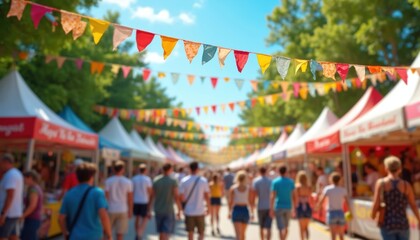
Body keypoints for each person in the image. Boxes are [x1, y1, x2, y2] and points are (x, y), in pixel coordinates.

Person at [58, 162, 112, 240]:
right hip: (94, 236)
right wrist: (109, 235)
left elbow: (61, 218)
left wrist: (65, 233)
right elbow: (103, 215)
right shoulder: (97, 193)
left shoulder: (69, 194)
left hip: (74, 236)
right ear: (91, 177)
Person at [372, 156, 420, 240]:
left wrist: (373, 216)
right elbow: (413, 205)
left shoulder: (381, 183)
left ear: (386, 168)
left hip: (387, 224)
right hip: (402, 223)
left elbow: (376, 203)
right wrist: (418, 219)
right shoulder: (406, 185)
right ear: (399, 168)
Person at [149, 163, 182, 240]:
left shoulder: (156, 180)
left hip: (158, 209)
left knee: (161, 231)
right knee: (166, 231)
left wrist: (149, 209)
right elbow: (176, 197)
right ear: (170, 169)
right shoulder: (173, 181)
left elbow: (152, 196)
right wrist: (179, 210)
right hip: (168, 210)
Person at [179, 162, 210, 240]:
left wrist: (181, 208)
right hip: (200, 210)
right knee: (201, 232)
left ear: (189, 169)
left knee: (190, 232)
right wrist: (208, 208)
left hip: (188, 211)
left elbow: (181, 197)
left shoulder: (184, 180)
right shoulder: (203, 180)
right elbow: (207, 196)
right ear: (197, 169)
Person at [317, 172, 350, 240]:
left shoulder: (328, 189)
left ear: (331, 179)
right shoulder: (343, 190)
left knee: (333, 235)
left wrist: (317, 207)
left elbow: (321, 200)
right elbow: (347, 202)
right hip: (340, 212)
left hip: (331, 212)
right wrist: (349, 211)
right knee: (341, 234)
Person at [105, 161, 133, 240]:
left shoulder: (108, 181)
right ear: (123, 169)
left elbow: (106, 197)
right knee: (120, 234)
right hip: (123, 209)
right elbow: (130, 198)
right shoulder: (128, 182)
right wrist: (130, 210)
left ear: (114, 169)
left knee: (107, 232)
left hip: (110, 209)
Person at [0, 153, 24, 240]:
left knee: (3, 236)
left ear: (6, 162)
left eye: (1, 163)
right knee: (13, 236)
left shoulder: (11, 175)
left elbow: (10, 195)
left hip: (9, 213)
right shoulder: (15, 173)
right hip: (13, 212)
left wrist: (3, 214)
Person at [270, 165, 295, 240]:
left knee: (281, 228)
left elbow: (273, 196)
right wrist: (294, 208)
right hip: (288, 206)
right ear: (286, 172)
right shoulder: (291, 182)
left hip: (278, 206)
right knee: (286, 227)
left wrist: (271, 208)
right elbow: (293, 195)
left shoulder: (275, 182)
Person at [228, 170, 254, 240]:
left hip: (236, 210)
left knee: (238, 235)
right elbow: (251, 202)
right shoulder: (249, 188)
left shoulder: (233, 188)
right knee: (243, 235)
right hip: (245, 210)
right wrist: (252, 213)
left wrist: (229, 212)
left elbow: (230, 201)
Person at [20, 171, 43, 240]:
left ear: (30, 178)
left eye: (24, 178)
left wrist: (22, 216)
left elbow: (32, 206)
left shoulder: (33, 190)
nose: (23, 180)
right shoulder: (36, 188)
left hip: (32, 219)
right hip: (34, 219)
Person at [132, 164, 152, 240]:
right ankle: (140, 232)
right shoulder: (147, 179)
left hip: (136, 200)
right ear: (145, 170)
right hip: (144, 200)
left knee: (137, 217)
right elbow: (149, 191)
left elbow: (132, 190)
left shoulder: (134, 179)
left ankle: (137, 232)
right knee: (145, 218)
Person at [252, 167, 272, 240]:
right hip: (269, 206)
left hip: (260, 206)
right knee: (268, 227)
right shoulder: (270, 181)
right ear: (266, 171)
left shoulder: (256, 181)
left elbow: (254, 194)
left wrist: (253, 204)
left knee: (261, 226)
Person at [293, 171, 312, 240]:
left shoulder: (297, 187)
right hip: (307, 206)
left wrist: (294, 209)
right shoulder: (308, 187)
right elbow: (310, 197)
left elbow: (296, 198)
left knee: (301, 227)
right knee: (306, 226)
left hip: (300, 206)